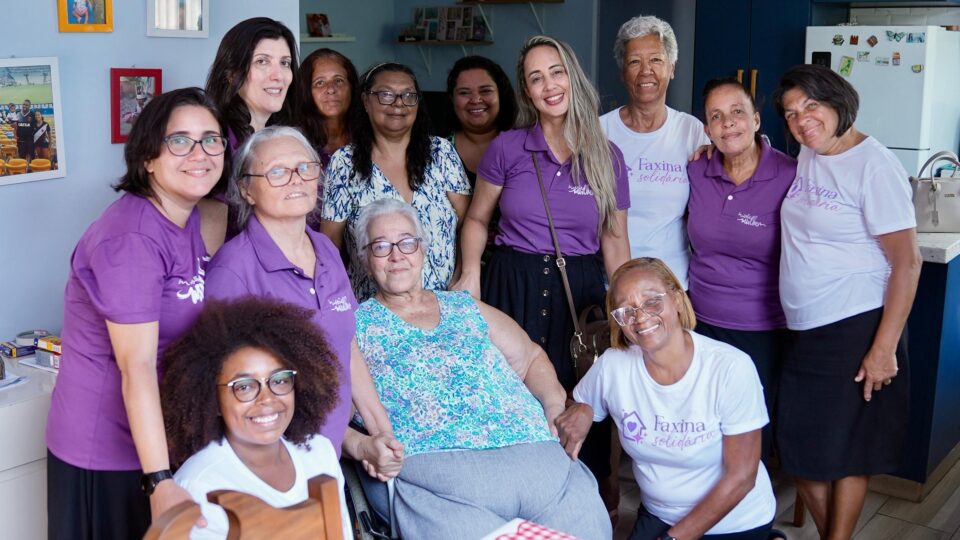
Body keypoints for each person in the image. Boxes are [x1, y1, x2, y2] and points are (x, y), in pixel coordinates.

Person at [353, 198, 611, 539]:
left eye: (406, 242)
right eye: (381, 246)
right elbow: (329, 410)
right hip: (441, 481)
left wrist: (552, 404)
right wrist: (360, 446)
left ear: (422, 249)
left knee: (589, 529)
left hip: (537, 459)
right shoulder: (353, 324)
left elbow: (531, 358)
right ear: (365, 260)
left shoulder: (463, 306)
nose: (396, 255)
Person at [45, 87, 230, 540]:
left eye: (211, 139)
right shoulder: (132, 239)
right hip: (105, 451)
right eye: (180, 140)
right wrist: (160, 479)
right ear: (147, 157)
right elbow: (137, 366)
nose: (199, 153)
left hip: (152, 442)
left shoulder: (181, 219)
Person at [773, 64, 921, 540]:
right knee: (802, 449)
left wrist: (884, 349)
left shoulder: (874, 165)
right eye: (792, 114)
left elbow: (908, 263)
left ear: (837, 101)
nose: (802, 120)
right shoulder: (812, 152)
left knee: (843, 451)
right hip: (807, 328)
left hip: (853, 326)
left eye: (811, 107)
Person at [205, 125, 402, 474]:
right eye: (277, 171)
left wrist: (379, 435)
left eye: (305, 167)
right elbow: (226, 389)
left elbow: (346, 348)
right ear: (246, 189)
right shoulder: (233, 270)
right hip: (270, 466)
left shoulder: (325, 248)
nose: (296, 179)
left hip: (326, 457)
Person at [557, 257, 776, 540]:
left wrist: (674, 538)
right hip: (660, 514)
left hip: (734, 521)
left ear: (676, 298)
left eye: (651, 302)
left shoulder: (730, 368)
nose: (640, 317)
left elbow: (741, 478)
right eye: (626, 309)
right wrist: (583, 408)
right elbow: (574, 407)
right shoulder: (613, 365)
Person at [162, 297, 352, 539]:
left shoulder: (320, 453)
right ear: (213, 400)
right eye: (244, 386)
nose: (267, 398)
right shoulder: (197, 486)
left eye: (280, 380)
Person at [686, 77, 797, 461]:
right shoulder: (696, 170)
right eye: (716, 117)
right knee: (702, 424)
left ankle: (748, 513)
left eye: (737, 112)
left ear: (756, 119)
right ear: (707, 130)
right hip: (700, 322)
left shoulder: (790, 175)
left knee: (749, 433)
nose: (728, 123)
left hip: (761, 328)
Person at [321, 62, 470, 302]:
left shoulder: (441, 152)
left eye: (408, 95)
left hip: (445, 303)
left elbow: (468, 222)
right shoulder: (344, 163)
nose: (398, 103)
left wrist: (465, 275)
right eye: (386, 95)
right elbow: (329, 244)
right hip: (372, 309)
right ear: (366, 101)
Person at [600, 15, 710, 289]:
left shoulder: (691, 130)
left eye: (656, 60)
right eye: (634, 62)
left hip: (673, 285)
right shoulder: (599, 132)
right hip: (611, 283)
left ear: (672, 68)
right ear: (622, 72)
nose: (645, 71)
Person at [205, 17, 301, 240]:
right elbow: (210, 249)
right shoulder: (216, 143)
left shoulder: (282, 138)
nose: (278, 76)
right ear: (232, 74)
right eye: (262, 62)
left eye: (285, 63)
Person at [445, 55, 517, 187]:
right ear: (452, 98)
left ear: (501, 94)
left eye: (485, 91)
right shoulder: (437, 149)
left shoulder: (523, 146)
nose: (476, 99)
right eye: (464, 93)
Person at [298, 48, 360, 167]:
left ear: (352, 87)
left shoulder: (369, 138)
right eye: (320, 83)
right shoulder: (294, 141)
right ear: (305, 91)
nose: (331, 89)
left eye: (338, 80)